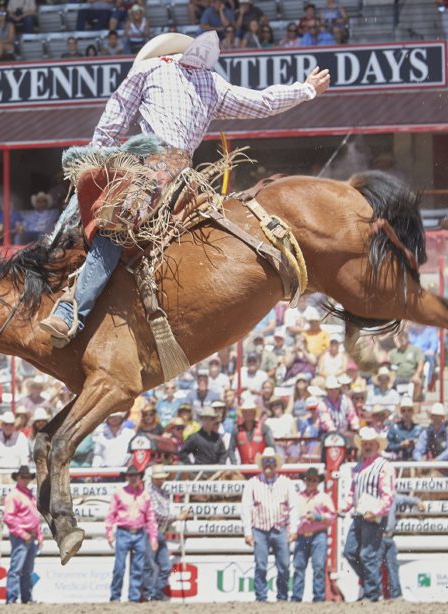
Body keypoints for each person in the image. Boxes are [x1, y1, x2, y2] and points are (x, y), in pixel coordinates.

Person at [38, 31, 330, 344]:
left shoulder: (147, 70)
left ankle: (72, 312)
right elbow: (262, 103)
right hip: (184, 177)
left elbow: (113, 122)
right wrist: (306, 90)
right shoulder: (211, 82)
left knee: (113, 225)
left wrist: (95, 167)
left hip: (152, 170)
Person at [340, 427, 395, 602]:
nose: (367, 446)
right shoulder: (358, 467)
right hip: (359, 514)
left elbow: (388, 494)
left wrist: (377, 511)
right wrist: (346, 506)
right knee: (350, 551)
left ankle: (372, 594)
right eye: (365, 444)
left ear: (377, 445)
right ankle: (371, 584)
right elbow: (352, 491)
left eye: (370, 443)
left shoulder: (384, 466)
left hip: (374, 515)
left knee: (367, 554)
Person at [240, 447, 297, 602]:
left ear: (276, 463)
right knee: (260, 565)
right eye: (265, 461)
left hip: (280, 529)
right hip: (260, 529)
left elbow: (293, 507)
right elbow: (246, 508)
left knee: (284, 565)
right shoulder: (252, 483)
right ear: (262, 463)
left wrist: (293, 529)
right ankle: (261, 598)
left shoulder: (286, 482)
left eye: (271, 461)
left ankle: (283, 597)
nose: (268, 465)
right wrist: (247, 531)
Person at [105, 465, 158, 602]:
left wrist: (153, 537)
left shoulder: (145, 495)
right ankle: (115, 596)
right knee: (119, 567)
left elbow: (150, 517)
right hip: (123, 532)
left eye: (136, 476)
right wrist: (109, 531)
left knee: (138, 568)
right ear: (127, 477)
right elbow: (111, 514)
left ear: (140, 477)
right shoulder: (119, 493)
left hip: (140, 533)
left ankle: (133, 598)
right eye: (131, 476)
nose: (134, 478)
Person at [291, 466, 335, 602]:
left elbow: (332, 516)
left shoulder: (323, 497)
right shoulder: (297, 498)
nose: (311, 482)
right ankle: (297, 596)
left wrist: (318, 517)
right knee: (299, 567)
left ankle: (318, 597)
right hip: (302, 535)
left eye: (314, 480)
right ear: (305, 480)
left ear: (318, 481)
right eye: (309, 479)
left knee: (318, 567)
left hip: (318, 534)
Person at [143, 465, 186, 601]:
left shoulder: (163, 493)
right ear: (154, 479)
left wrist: (175, 515)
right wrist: (176, 516)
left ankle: (155, 595)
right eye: (159, 478)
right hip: (151, 531)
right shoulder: (149, 491)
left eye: (162, 478)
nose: (162, 480)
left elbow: (162, 512)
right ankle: (150, 594)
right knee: (150, 565)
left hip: (160, 532)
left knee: (165, 566)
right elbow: (156, 513)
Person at [4, 465, 43, 604]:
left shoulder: (28, 494)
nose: (25, 479)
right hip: (21, 536)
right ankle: (12, 598)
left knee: (27, 569)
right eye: (23, 477)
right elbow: (8, 518)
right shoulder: (14, 495)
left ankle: (26, 597)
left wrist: (39, 535)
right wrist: (22, 533)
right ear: (18, 478)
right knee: (17, 568)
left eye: (27, 477)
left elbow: (35, 516)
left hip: (29, 535)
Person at [381, 493, 424, 600]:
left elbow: (407, 499)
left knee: (392, 566)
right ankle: (377, 594)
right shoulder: (381, 497)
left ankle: (395, 594)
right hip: (378, 537)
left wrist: (417, 501)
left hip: (388, 537)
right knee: (379, 566)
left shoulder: (393, 497)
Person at [230, 397, 273, 464]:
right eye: (245, 411)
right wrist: (234, 464)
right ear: (242, 413)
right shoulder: (236, 430)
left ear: (254, 413)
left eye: (250, 411)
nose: (247, 414)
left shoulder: (264, 428)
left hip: (260, 468)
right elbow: (231, 449)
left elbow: (271, 447)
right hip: (243, 468)